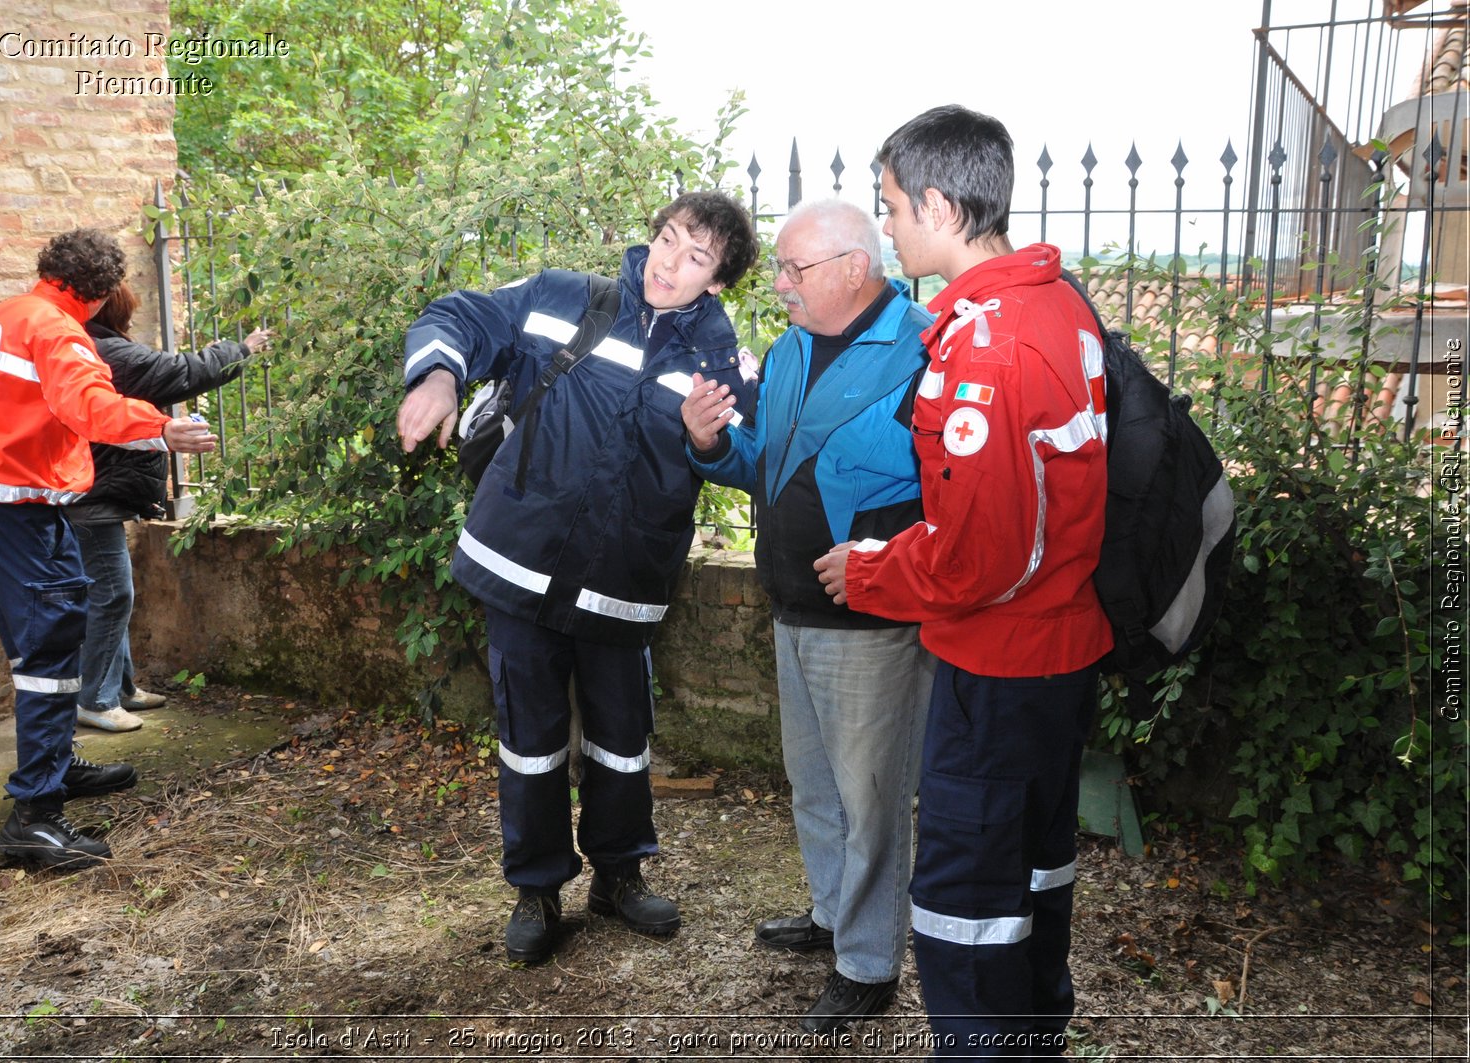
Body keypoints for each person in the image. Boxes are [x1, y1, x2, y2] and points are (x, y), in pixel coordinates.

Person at [815, 106, 1112, 1059]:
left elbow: (980, 556)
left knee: (968, 904)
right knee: (1032, 874)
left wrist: (868, 569)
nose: (889, 225)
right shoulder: (1058, 305)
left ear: (940, 205)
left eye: (893, 206)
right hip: (1058, 654)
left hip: (1000, 666)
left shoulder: (986, 346)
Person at [395, 191, 758, 965]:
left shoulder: (721, 362)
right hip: (520, 565)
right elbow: (458, 317)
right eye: (667, 239)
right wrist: (436, 378)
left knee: (623, 740)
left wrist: (707, 441)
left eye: (696, 256)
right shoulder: (564, 298)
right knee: (529, 739)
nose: (670, 262)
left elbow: (749, 452)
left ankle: (619, 875)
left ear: (719, 281)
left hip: (624, 581)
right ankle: (537, 886)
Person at [679, 199, 934, 1033]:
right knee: (815, 786)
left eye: (794, 269)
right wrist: (713, 443)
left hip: (874, 621)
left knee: (870, 799)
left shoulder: (925, 348)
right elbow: (766, 467)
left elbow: (955, 495)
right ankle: (832, 917)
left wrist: (884, 554)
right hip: (792, 605)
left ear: (853, 270)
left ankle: (868, 963)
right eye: (781, 268)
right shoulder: (789, 352)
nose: (778, 283)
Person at [0, 229, 218, 870]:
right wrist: (162, 428)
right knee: (48, 656)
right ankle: (35, 817)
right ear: (95, 295)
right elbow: (88, 403)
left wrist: (10, 429)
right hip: (22, 513)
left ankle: (55, 766)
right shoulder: (60, 331)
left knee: (53, 638)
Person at [66, 282, 270, 733]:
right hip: (91, 498)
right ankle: (96, 699)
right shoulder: (102, 349)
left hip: (94, 493)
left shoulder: (89, 342)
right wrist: (242, 348)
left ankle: (119, 690)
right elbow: (179, 372)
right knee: (113, 595)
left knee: (109, 596)